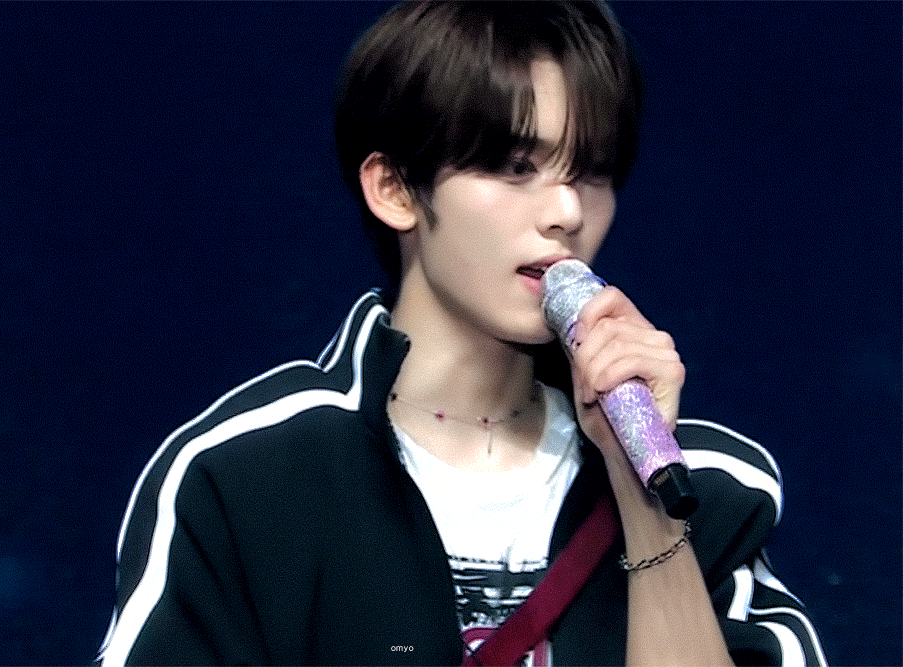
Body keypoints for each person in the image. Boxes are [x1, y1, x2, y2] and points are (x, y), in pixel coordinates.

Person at [99, 2, 827, 665]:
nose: (567, 211)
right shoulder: (246, 479)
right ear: (394, 188)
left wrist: (650, 510)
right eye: (517, 167)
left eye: (593, 172)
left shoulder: (709, 485)